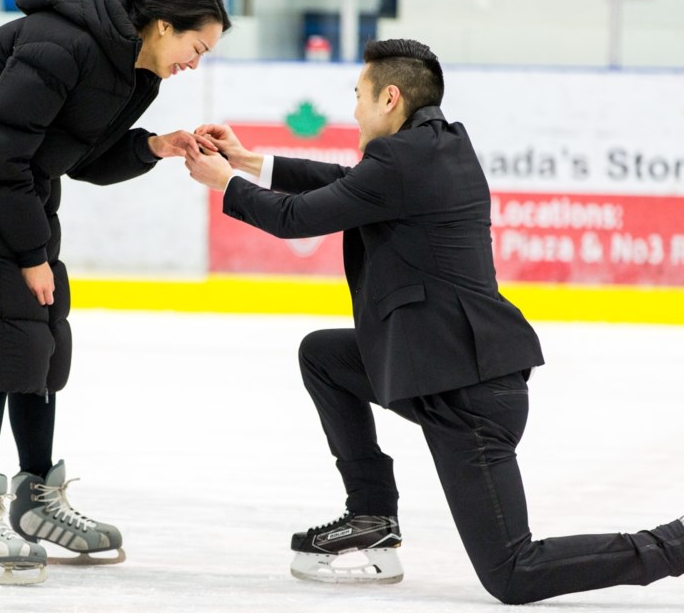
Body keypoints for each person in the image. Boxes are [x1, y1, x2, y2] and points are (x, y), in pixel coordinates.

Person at [184, 38, 684, 604]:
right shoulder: (437, 147)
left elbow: (298, 217)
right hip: (434, 367)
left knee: (513, 573)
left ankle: (674, 545)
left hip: (468, 394)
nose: (353, 110)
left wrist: (226, 183)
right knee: (324, 355)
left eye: (359, 96)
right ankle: (372, 515)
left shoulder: (401, 161)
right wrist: (251, 162)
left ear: (390, 98)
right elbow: (345, 183)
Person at [0, 0, 230, 584]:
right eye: (196, 48)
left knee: (42, 333)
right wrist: (29, 254)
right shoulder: (62, 42)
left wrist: (154, 146)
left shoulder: (137, 74)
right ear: (164, 26)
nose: (193, 63)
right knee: (0, 336)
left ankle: (34, 498)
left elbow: (79, 161)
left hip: (13, 183)